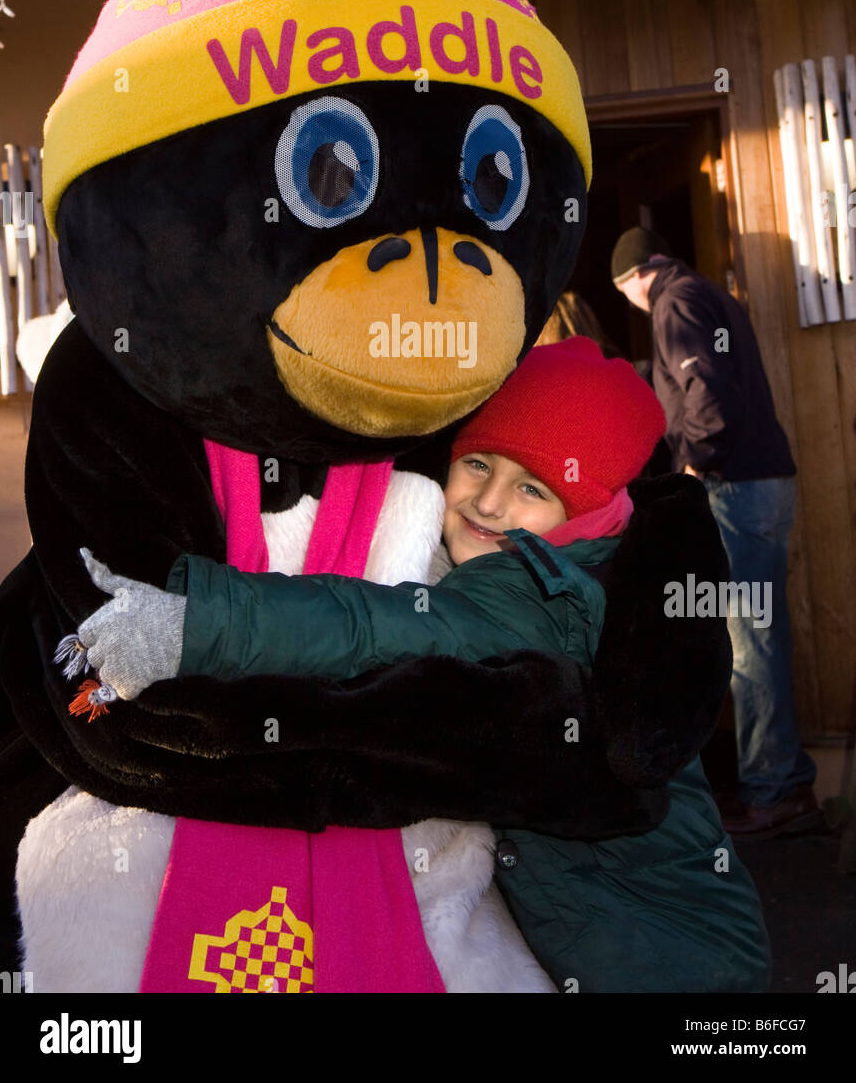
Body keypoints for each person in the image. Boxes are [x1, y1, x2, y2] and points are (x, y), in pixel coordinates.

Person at [63, 336, 770, 992]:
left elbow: (375, 627)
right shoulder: (605, 567)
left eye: (533, 489)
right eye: (480, 464)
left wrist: (194, 620)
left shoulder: (531, 593)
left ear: (582, 511)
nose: (490, 502)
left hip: (673, 959)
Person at [610, 226, 819, 838]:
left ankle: (775, 788)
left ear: (634, 277)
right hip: (763, 483)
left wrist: (694, 468)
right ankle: (784, 779)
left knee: (749, 644)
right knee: (761, 635)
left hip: (733, 489)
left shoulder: (673, 302)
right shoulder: (708, 294)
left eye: (624, 292)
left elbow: (707, 393)